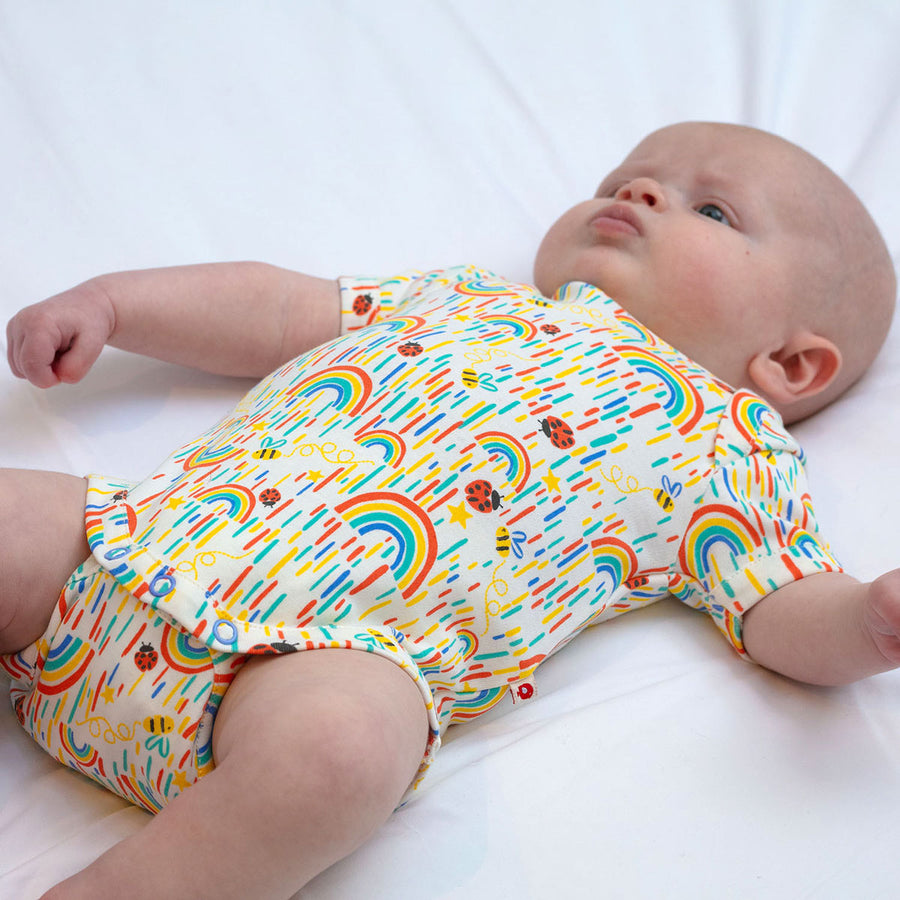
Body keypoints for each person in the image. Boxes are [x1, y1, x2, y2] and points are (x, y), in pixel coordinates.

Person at [2, 121, 897, 899]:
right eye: (627, 180)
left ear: (791, 367)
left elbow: (781, 601)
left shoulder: (724, 442)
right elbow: (278, 307)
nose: (642, 190)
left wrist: (867, 624)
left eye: (712, 211)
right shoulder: (469, 299)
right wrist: (117, 304)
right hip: (122, 546)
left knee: (345, 756)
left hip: (302, 671)